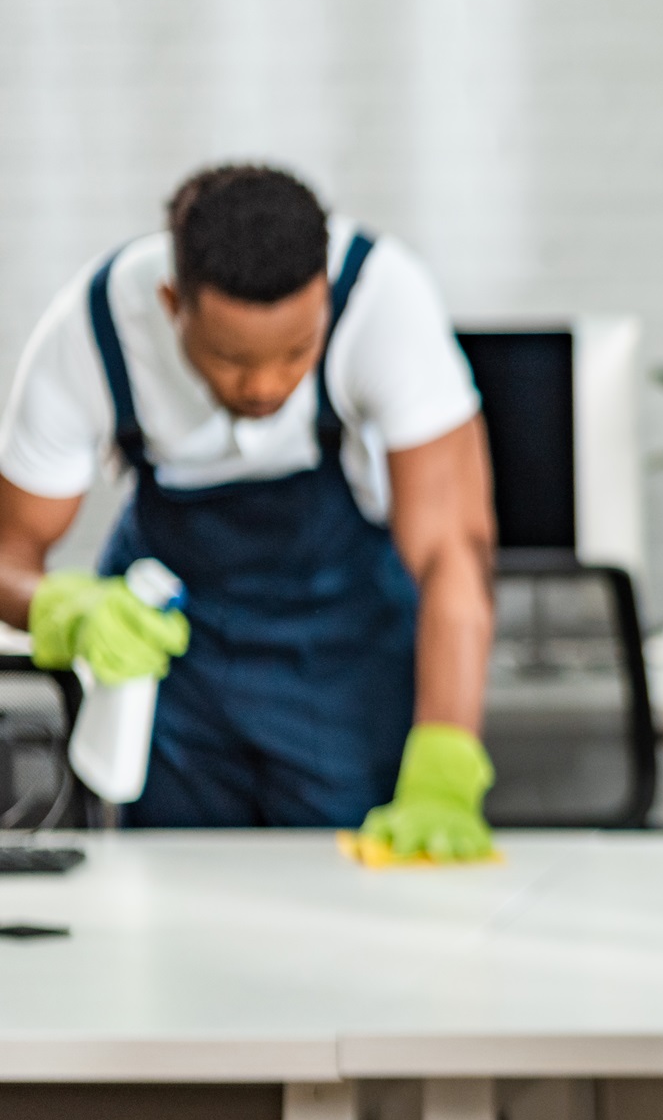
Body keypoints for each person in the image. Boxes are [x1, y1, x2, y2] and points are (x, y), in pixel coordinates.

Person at [0, 164, 498, 857]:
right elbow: (9, 557)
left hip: (346, 666)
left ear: (324, 299)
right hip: (177, 683)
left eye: (297, 352)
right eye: (230, 359)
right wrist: (64, 610)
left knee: (352, 902)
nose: (265, 384)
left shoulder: (383, 298)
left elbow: (453, 553)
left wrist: (447, 757)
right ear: (174, 303)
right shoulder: (91, 331)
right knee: (186, 900)